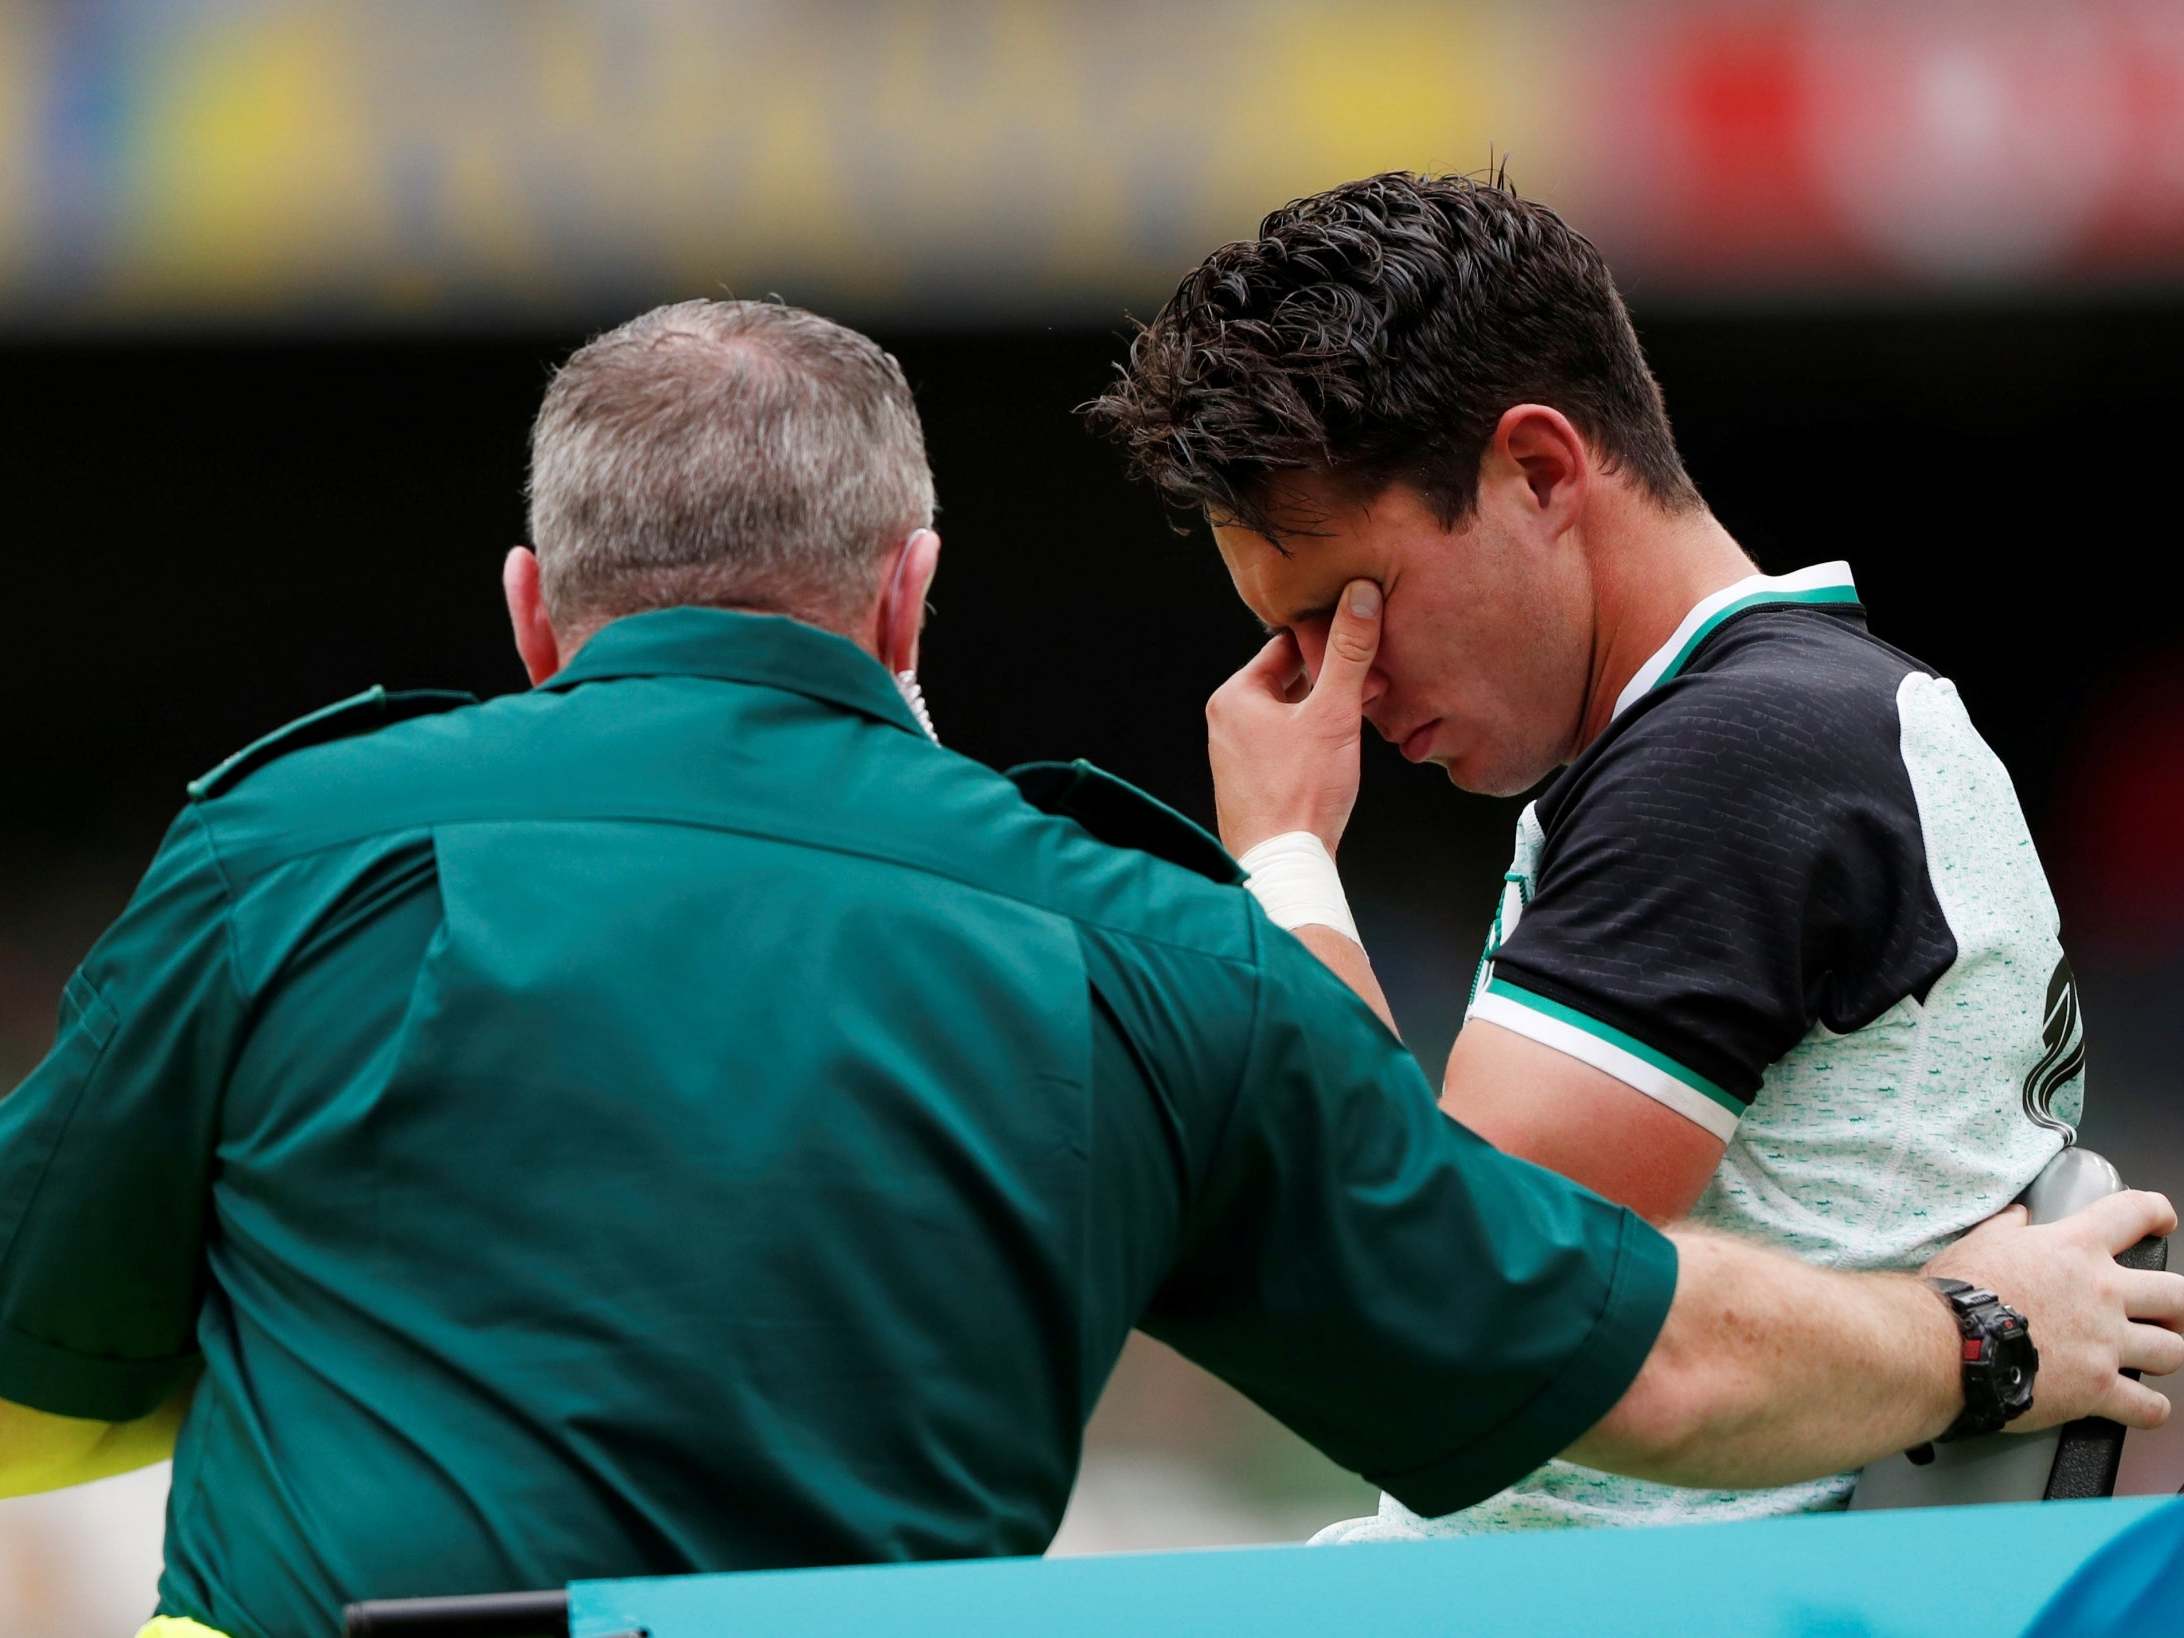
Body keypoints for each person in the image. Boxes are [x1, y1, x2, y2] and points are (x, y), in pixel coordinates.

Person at [0, 300, 2176, 1638]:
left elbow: (28, 1357)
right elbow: (1594, 1340)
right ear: (910, 602)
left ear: (531, 609)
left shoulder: (279, 849)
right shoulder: (1127, 949)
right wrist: (1983, 1335)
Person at [1086, 170, 2118, 1537]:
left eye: (1349, 606)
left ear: (1538, 469)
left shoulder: (1740, 753)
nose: (1337, 686)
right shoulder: (1783, 723)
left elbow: (1436, 1299)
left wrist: (1287, 861)